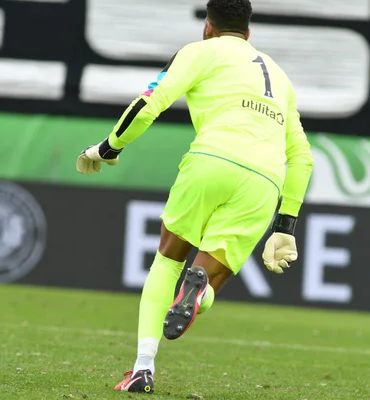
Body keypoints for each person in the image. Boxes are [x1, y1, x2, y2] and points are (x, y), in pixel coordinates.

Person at [76, 0, 314, 394]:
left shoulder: (199, 51)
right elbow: (302, 158)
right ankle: (199, 293)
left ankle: (142, 369)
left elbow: (148, 103)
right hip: (265, 181)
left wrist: (108, 147)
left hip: (212, 159)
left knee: (168, 260)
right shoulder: (280, 76)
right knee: (210, 275)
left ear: (208, 26)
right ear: (248, 33)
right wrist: (285, 224)